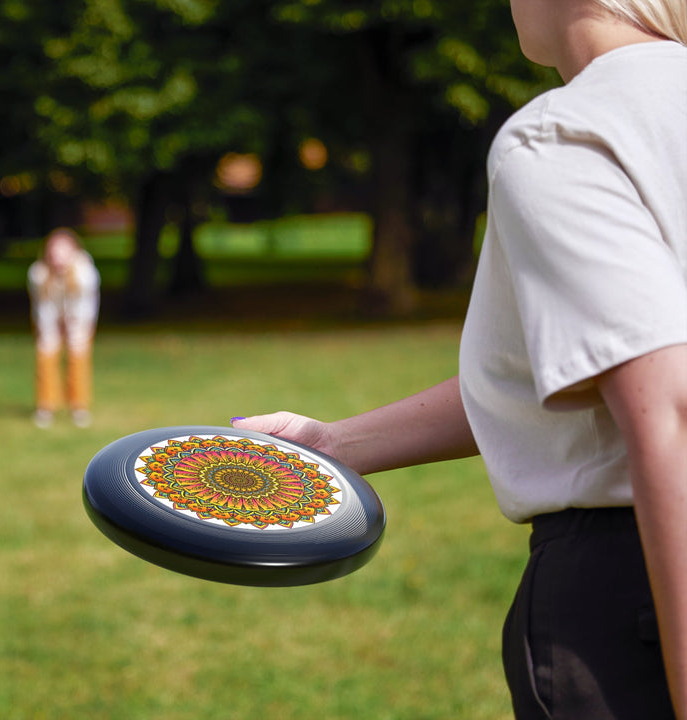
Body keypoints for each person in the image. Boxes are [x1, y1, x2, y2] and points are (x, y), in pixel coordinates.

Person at [231, 1, 687, 717]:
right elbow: (579, 370)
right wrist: (335, 444)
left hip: (636, 595)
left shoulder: (567, 134)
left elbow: (669, 408)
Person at [27, 227, 100, 428]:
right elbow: (43, 306)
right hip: (49, 319)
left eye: (63, 251)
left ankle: (79, 406)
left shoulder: (85, 273)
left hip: (79, 319)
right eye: (54, 251)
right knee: (46, 354)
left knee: (78, 357)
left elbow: (85, 306)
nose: (58, 256)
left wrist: (73, 326)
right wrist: (51, 328)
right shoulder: (38, 273)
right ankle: (46, 406)